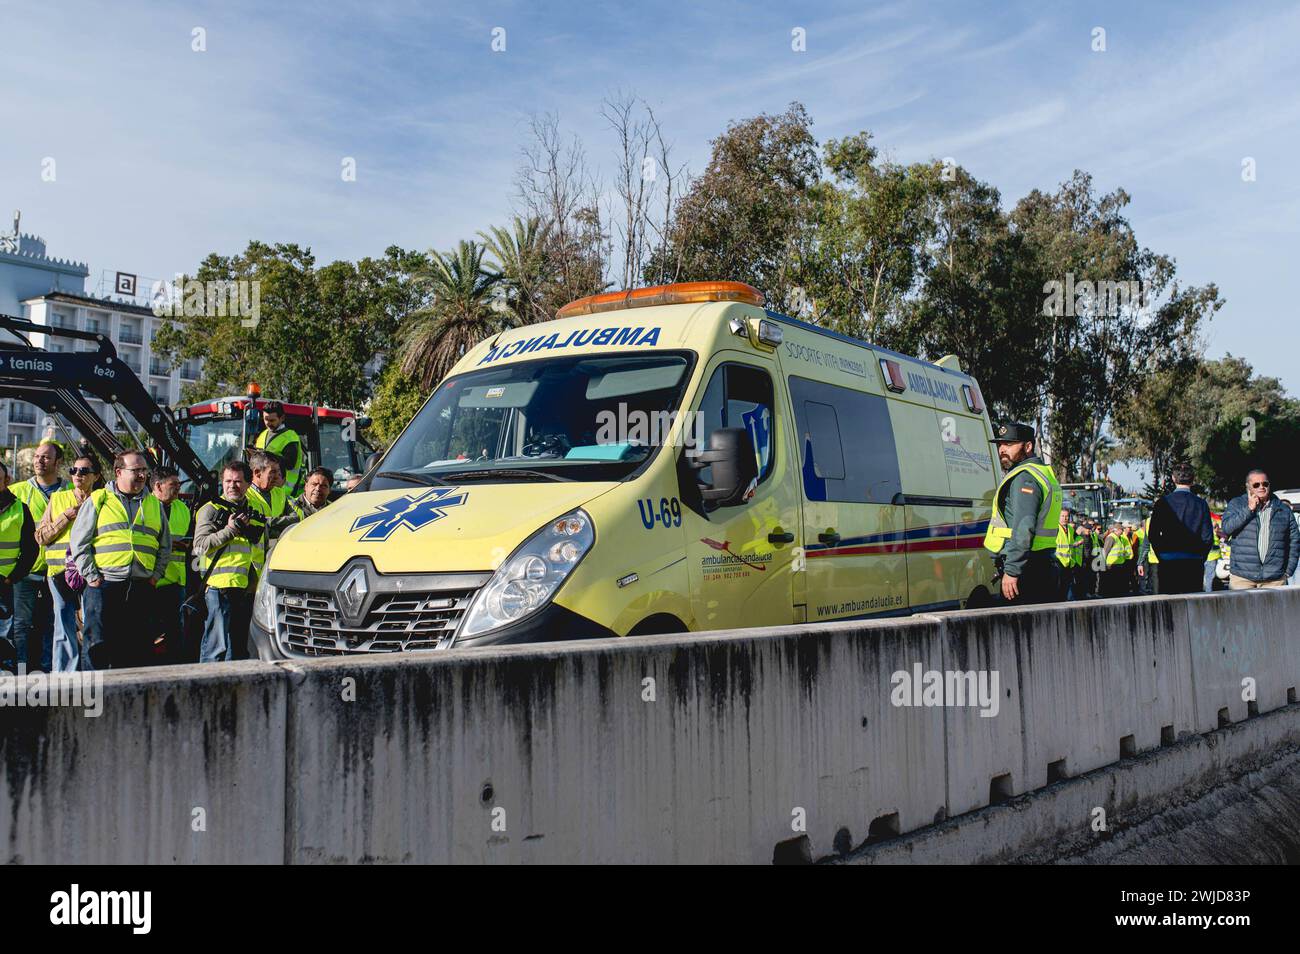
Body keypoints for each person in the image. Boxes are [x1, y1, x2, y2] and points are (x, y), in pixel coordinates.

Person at [72, 450, 170, 669]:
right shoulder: (99, 499)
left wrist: (154, 576)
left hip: (140, 587)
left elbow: (165, 546)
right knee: (97, 647)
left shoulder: (154, 504)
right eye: (136, 470)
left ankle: (129, 699)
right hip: (104, 586)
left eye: (144, 470)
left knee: (137, 648)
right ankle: (94, 699)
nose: (142, 475)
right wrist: (92, 577)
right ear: (118, 472)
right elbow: (79, 542)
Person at [983, 422, 1062, 606]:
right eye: (1000, 445)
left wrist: (1012, 571)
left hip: (1026, 573)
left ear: (1028, 446)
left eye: (1009, 444)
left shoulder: (1024, 477)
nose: (1002, 449)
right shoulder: (1043, 472)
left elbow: (1024, 527)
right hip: (1042, 565)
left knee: (1017, 632)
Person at [9, 440, 72, 670]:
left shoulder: (69, 492)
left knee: (53, 623)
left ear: (58, 462)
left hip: (58, 571)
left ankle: (48, 669)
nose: (39, 461)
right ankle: (22, 668)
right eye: (37, 456)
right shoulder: (18, 491)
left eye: (45, 457)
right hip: (26, 571)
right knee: (21, 624)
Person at [34, 455, 100, 671]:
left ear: (96, 476)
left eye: (83, 471)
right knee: (64, 624)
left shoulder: (102, 499)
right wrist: (66, 516)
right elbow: (41, 536)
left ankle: (90, 672)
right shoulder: (58, 498)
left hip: (91, 571)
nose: (77, 475)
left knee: (91, 623)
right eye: (73, 470)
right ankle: (64, 675)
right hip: (60, 573)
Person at [193, 461, 263, 662]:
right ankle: (206, 687)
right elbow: (199, 546)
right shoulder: (211, 509)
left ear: (249, 484)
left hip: (247, 588)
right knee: (216, 647)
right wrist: (230, 530)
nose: (232, 485)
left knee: (238, 648)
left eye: (238, 481)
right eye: (228, 481)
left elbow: (262, 545)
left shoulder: (256, 509)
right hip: (219, 587)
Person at [1220, 469, 1300, 589]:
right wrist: (1249, 509)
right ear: (1248, 487)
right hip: (1242, 578)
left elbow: (1294, 541)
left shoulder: (1283, 510)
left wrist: (1288, 571)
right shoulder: (1237, 504)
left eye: (1265, 484)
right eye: (1256, 484)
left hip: (1275, 579)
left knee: (1274, 609)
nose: (1261, 487)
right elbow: (1227, 529)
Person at [1145, 462, 1214, 595]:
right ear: (1193, 480)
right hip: (1193, 562)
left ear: (1173, 478)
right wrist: (1200, 557)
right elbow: (1207, 537)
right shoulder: (1201, 504)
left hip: (1168, 561)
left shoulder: (1162, 503)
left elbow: (1153, 534)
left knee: (1170, 605)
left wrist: (1162, 554)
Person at [150, 466, 191, 663]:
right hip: (150, 581)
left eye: (178, 484)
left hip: (175, 581)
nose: (178, 488)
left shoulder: (182, 508)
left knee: (176, 632)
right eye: (173, 484)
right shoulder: (145, 506)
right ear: (158, 486)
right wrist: (169, 544)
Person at [0, 460, 39, 665]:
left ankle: (5, 682)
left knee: (3, 636)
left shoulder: (19, 509)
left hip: (4, 584)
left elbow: (31, 549)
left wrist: (13, 577)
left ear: (7, 480)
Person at [245, 450, 300, 572]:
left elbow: (295, 519)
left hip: (273, 563)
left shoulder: (279, 492)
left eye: (278, 471)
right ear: (257, 473)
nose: (277, 476)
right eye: (273, 472)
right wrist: (278, 525)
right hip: (249, 567)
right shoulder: (244, 495)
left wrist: (266, 522)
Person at [253, 401, 304, 497]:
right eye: (265, 419)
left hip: (285, 491)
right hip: (262, 489)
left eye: (272, 420)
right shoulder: (262, 435)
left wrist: (266, 456)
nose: (268, 423)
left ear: (282, 418)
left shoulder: (290, 437)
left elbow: (290, 464)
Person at [1099, 522, 1133, 598]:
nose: (1123, 531)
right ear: (1117, 530)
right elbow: (1105, 551)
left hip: (1119, 564)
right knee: (1112, 584)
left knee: (1117, 584)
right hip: (1112, 565)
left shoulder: (1118, 538)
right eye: (1122, 530)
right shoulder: (1111, 537)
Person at [1054, 507, 1079, 600]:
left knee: (1068, 586)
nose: (1065, 518)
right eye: (1062, 516)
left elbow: (1076, 537)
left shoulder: (1070, 529)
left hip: (1069, 562)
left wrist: (1079, 541)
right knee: (1059, 588)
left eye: (1067, 516)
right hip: (1058, 562)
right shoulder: (1055, 528)